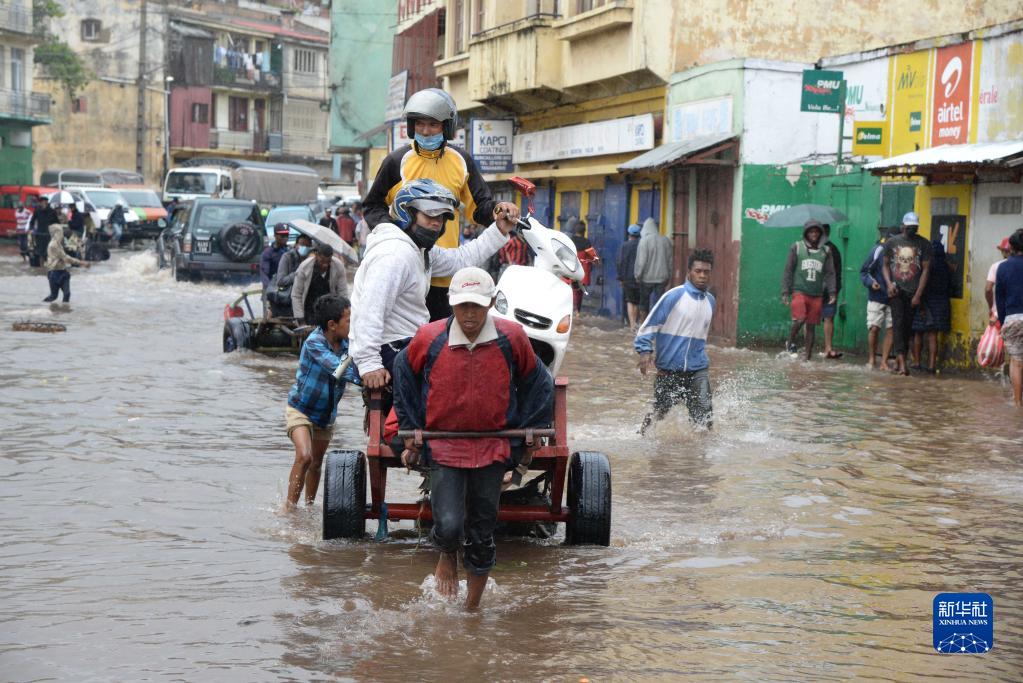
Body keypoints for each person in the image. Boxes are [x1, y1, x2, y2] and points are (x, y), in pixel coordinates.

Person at [393, 267, 553, 610]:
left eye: (477, 306)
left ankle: (471, 612)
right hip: (445, 443)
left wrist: (525, 435)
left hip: (493, 444)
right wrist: (411, 427)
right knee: (449, 526)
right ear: (451, 304)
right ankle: (447, 553)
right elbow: (403, 371)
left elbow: (539, 382)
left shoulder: (512, 337)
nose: (469, 314)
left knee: (482, 531)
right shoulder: (429, 337)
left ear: (491, 303)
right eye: (463, 306)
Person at [350, 179, 516, 414]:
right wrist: (369, 364)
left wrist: (499, 230)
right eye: (429, 216)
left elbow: (461, 259)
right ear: (407, 213)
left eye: (441, 218)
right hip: (392, 349)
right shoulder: (394, 255)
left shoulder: (418, 250)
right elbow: (369, 311)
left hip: (409, 344)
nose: (436, 224)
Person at [362, 87, 520, 321]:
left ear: (447, 127)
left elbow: (480, 207)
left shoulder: (461, 161)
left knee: (440, 343)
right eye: (420, 124)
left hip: (445, 271)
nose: (425, 132)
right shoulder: (396, 162)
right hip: (406, 267)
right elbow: (372, 206)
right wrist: (398, 236)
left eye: (433, 125)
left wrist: (500, 211)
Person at [284, 294, 361, 509]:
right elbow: (339, 370)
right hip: (301, 410)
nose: (352, 324)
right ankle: (289, 509)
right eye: (348, 320)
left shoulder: (347, 345)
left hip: (326, 415)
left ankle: (308, 508)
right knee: (305, 456)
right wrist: (366, 379)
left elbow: (354, 365)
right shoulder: (314, 343)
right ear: (332, 325)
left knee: (316, 464)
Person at [636, 249, 715, 431]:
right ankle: (641, 436)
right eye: (698, 271)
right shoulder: (674, 296)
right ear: (689, 272)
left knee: (705, 417)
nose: (702, 276)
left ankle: (698, 457)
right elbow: (649, 325)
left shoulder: (710, 301)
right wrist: (645, 351)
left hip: (698, 370)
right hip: (669, 371)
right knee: (659, 415)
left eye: (706, 272)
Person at [882, 212, 932, 376]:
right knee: (897, 324)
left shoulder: (924, 244)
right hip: (896, 291)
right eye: (909, 227)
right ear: (903, 226)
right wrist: (889, 284)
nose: (912, 229)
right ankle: (903, 364)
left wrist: (918, 294)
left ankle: (899, 360)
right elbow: (885, 265)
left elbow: (925, 270)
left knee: (907, 327)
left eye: (915, 227)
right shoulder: (892, 243)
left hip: (913, 293)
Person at [781, 220, 836, 361]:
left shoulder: (826, 251)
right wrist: (785, 291)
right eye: (811, 232)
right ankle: (790, 342)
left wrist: (832, 292)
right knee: (800, 319)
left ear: (821, 234)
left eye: (816, 232)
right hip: (799, 290)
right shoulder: (797, 247)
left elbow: (830, 273)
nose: (814, 234)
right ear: (806, 233)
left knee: (811, 326)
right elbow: (788, 269)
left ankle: (807, 358)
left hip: (816, 293)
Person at [911, 238, 951, 374]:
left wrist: (920, 304)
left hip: (926, 302)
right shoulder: (947, 266)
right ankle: (932, 365)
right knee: (933, 335)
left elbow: (922, 285)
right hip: (941, 304)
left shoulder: (927, 266)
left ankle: (916, 363)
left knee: (918, 333)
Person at [860, 226, 896, 371]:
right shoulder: (877, 250)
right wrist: (871, 282)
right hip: (877, 296)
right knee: (874, 328)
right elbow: (864, 271)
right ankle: (872, 358)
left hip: (894, 298)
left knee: (891, 328)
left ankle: (884, 362)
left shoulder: (902, 253)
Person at [994, 229, 1023, 406]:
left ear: (1011, 247)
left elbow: (1000, 297)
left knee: (1017, 361)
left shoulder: (1003, 267)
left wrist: (1003, 320)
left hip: (1013, 319)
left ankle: (1018, 403)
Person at [291, 243, 348, 324]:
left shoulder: (338, 266)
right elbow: (296, 294)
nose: (325, 265)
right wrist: (300, 318)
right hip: (309, 309)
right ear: (316, 255)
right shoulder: (304, 267)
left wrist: (343, 312)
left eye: (328, 262)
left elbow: (343, 292)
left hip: (329, 310)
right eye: (322, 261)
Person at [634, 217, 672, 320]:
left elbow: (641, 262)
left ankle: (644, 323)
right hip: (662, 278)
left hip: (646, 278)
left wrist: (638, 275)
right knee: (659, 302)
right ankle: (657, 324)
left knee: (644, 302)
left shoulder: (644, 241)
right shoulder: (666, 240)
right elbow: (670, 260)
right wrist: (669, 276)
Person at [267, 234, 312, 317]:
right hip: (286, 300)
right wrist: (298, 274)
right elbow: (281, 281)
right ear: (296, 245)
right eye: (302, 245)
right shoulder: (287, 257)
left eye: (307, 246)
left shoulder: (311, 260)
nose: (304, 248)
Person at [43, 224, 90, 302]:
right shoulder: (53, 245)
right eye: (60, 233)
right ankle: (41, 307)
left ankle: (65, 311)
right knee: (53, 296)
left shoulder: (58, 244)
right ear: (56, 234)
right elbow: (66, 258)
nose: (62, 235)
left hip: (62, 271)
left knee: (67, 294)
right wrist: (81, 263)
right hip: (54, 272)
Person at [563, 217, 599, 314]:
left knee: (570, 291)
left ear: (575, 230)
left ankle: (569, 311)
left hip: (570, 270)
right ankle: (577, 311)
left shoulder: (570, 240)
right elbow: (594, 258)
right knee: (578, 292)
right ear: (584, 231)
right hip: (582, 271)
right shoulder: (586, 242)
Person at [821, 224, 843, 359]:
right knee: (809, 320)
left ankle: (828, 348)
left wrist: (833, 290)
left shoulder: (832, 249)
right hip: (813, 289)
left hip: (829, 290)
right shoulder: (809, 249)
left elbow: (836, 273)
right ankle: (809, 347)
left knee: (829, 317)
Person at [617, 223, 642, 330]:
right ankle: (636, 323)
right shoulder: (642, 245)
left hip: (627, 277)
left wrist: (620, 277)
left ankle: (632, 325)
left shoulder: (625, 246)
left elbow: (620, 262)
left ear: (629, 234)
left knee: (630, 301)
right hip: (640, 277)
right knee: (636, 301)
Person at [28, 195, 60, 268]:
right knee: (40, 253)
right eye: (41, 202)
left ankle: (49, 267)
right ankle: (42, 268)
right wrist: (31, 229)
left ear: (46, 202)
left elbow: (57, 223)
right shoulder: (37, 211)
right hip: (40, 235)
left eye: (44, 202)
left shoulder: (52, 211)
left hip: (49, 235)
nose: (42, 203)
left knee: (49, 252)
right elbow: (32, 222)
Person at [985, 237, 1011, 322]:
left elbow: (988, 289)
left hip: (999, 314)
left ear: (1002, 251)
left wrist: (991, 308)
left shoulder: (996, 266)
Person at [260, 225, 290, 291]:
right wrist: (270, 289)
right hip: (271, 289)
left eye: (286, 235)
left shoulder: (290, 251)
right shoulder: (267, 253)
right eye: (282, 235)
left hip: (287, 288)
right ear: (275, 235)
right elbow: (264, 274)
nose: (285, 238)